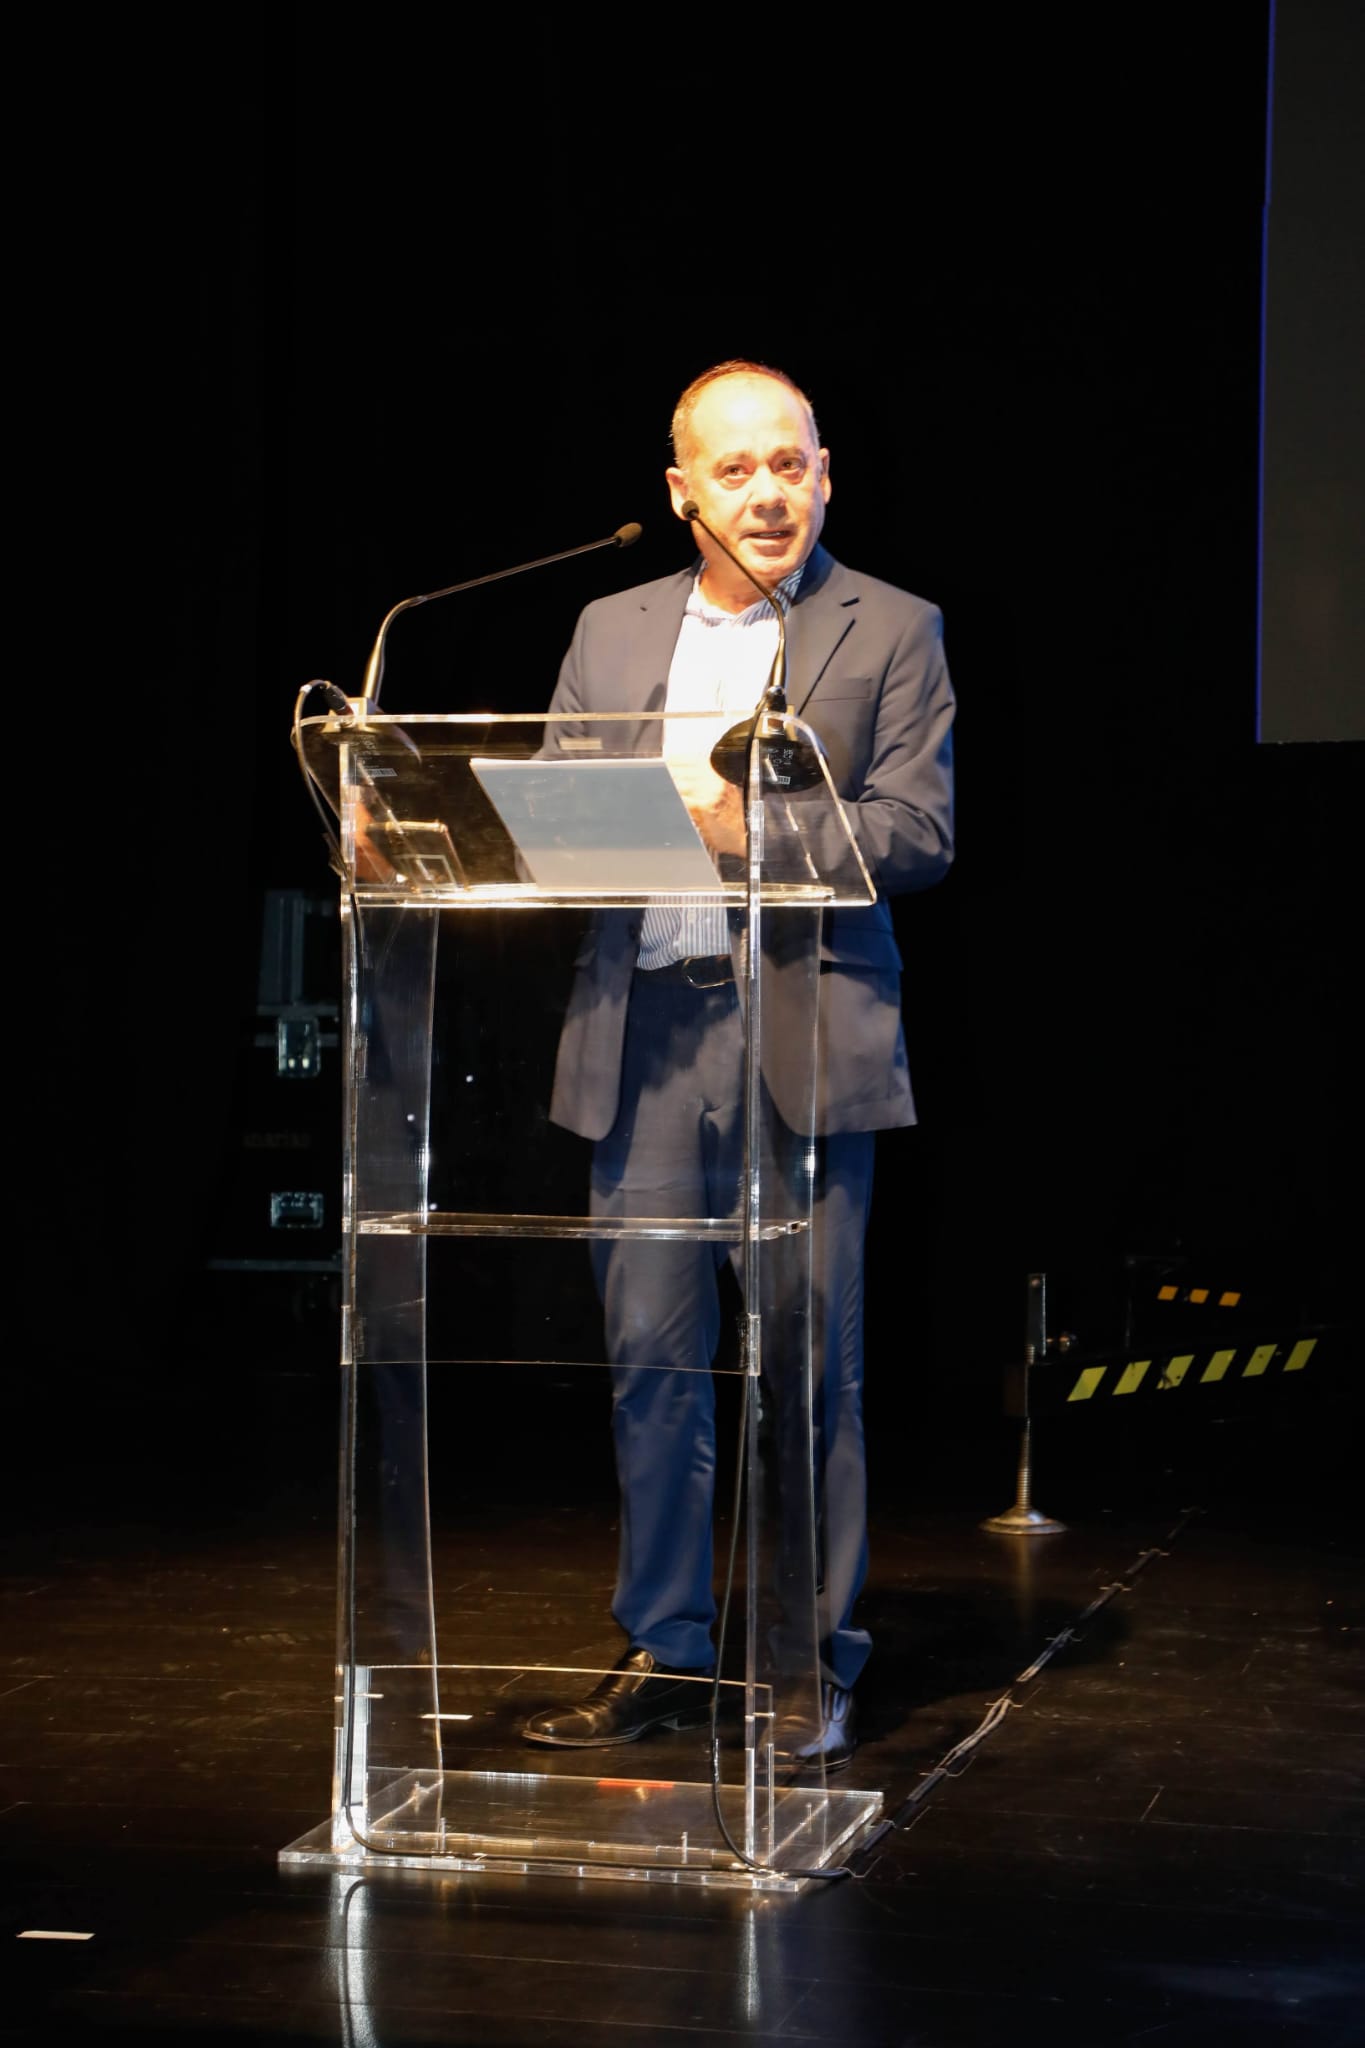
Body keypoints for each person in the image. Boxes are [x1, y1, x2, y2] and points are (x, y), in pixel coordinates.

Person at [521, 361, 955, 1769]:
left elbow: (916, 834)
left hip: (800, 1038)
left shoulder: (890, 625)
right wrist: (422, 836)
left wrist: (743, 835)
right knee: (650, 1365)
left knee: (808, 1372)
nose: (766, 492)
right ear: (680, 492)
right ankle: (665, 1647)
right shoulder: (608, 627)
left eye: (789, 464)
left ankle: (803, 1661)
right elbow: (553, 818)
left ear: (825, 473)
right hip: (641, 1035)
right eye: (734, 469)